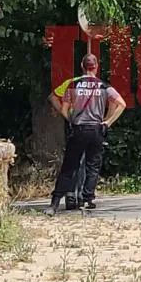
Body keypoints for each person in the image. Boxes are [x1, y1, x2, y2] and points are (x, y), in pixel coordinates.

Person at [44, 54, 126, 215]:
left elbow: (64, 108)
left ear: (82, 66)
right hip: (96, 130)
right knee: (93, 166)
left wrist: (70, 119)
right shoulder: (104, 86)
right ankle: (87, 199)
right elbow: (121, 104)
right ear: (96, 67)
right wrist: (107, 122)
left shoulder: (73, 84)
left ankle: (54, 203)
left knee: (69, 166)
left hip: (78, 129)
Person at [49, 77, 88, 211]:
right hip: (85, 125)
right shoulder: (95, 84)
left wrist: (65, 114)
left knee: (75, 161)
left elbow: (53, 97)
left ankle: (72, 196)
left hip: (74, 124)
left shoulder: (70, 83)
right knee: (82, 161)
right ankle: (78, 196)